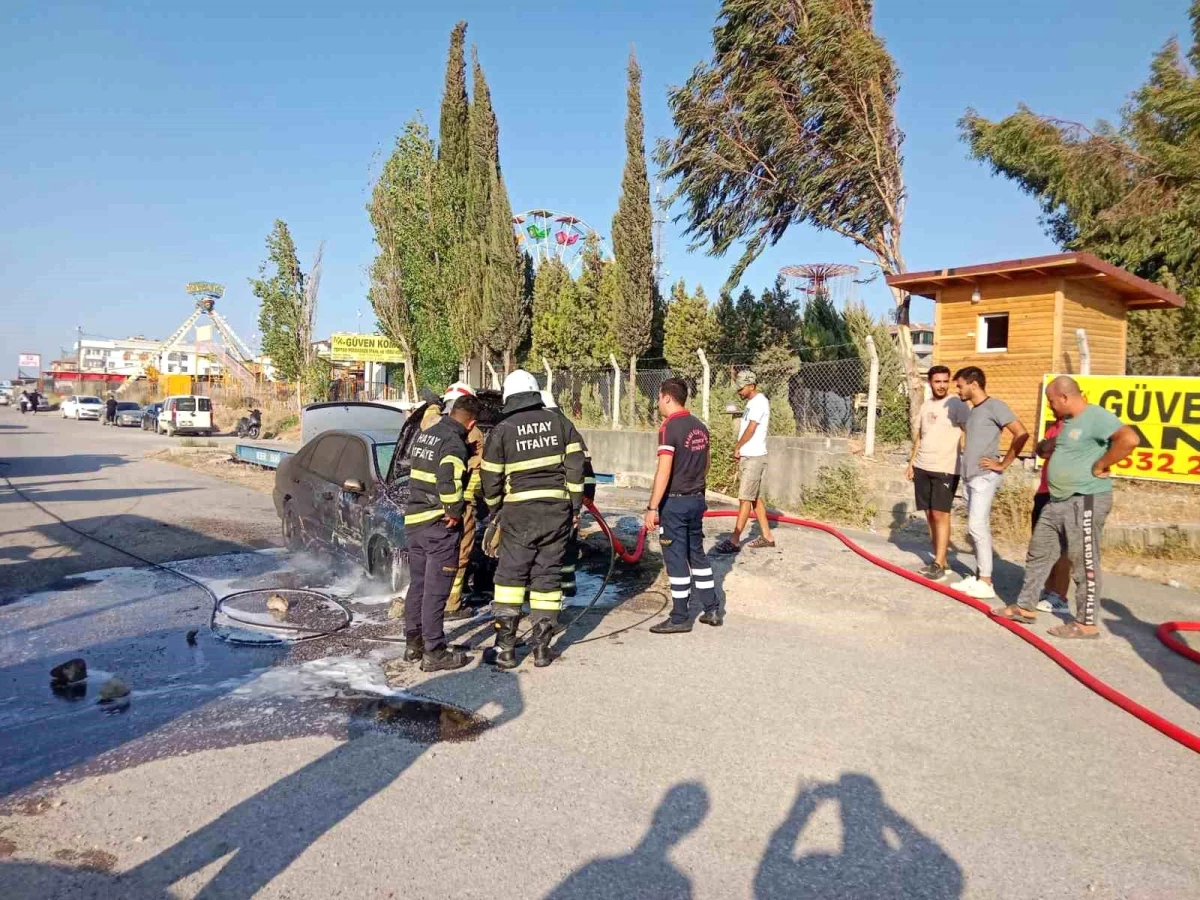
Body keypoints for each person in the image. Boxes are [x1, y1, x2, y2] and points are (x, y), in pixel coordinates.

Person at [993, 376, 1139, 638]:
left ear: (1064, 397)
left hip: (1085, 498)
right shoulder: (1069, 423)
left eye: (1051, 401)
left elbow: (1129, 439)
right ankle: (1025, 607)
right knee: (1039, 552)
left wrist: (1101, 465)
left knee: (1084, 561)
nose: (1050, 406)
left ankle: (1085, 623)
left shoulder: (1096, 416)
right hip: (1057, 500)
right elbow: (1058, 449)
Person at [481, 370, 587, 669]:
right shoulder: (560, 423)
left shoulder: (503, 429)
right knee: (547, 577)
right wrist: (574, 507)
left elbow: (490, 476)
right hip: (556, 512)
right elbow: (577, 469)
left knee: (510, 577)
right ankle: (541, 649)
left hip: (518, 513)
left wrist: (495, 509)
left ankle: (505, 650)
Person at [401, 392, 482, 671]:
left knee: (419, 585)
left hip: (415, 520)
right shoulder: (453, 443)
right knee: (437, 591)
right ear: (470, 424)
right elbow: (447, 476)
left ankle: (414, 644)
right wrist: (454, 511)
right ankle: (435, 651)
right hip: (438, 525)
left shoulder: (428, 433)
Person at [645, 378, 720, 633]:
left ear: (667, 397)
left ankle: (679, 618)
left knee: (676, 558)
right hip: (697, 499)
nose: (658, 404)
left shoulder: (669, 427)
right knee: (697, 553)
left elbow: (664, 470)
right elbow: (707, 463)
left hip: (674, 504)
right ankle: (711, 609)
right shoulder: (700, 426)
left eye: (658, 398)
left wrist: (652, 507)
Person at [952, 366, 1029, 600]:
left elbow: (1021, 433)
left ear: (973, 384)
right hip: (970, 477)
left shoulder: (995, 405)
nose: (958, 390)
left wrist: (1003, 463)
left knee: (977, 526)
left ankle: (986, 582)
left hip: (984, 477)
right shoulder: (974, 411)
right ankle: (979, 577)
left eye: (960, 385)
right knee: (975, 527)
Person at [424, 381, 485, 622]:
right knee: (460, 553)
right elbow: (477, 470)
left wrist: (432, 405)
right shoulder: (472, 434)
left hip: (429, 501)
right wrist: (473, 501)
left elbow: (428, 418)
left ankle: (432, 599)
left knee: (434, 555)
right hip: (459, 502)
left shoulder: (431, 424)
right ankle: (451, 603)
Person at [906, 365, 968, 581]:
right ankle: (941, 559)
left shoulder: (957, 405)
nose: (941, 385)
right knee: (930, 515)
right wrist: (912, 462)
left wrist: (969, 459)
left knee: (941, 514)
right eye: (937, 381)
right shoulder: (925, 406)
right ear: (930, 382)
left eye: (945, 381)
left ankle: (939, 564)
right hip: (923, 465)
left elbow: (969, 431)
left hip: (946, 468)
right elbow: (921, 437)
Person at [541, 390, 597, 600]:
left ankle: (550, 587)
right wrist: (581, 501)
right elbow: (587, 470)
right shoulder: (568, 427)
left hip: (552, 502)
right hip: (567, 501)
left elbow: (584, 468)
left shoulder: (541, 429)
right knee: (567, 542)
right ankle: (566, 585)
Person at [713, 370, 774, 554]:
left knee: (745, 498)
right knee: (754, 498)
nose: (739, 391)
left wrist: (738, 446)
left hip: (754, 457)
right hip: (750, 456)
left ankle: (734, 541)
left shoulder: (759, 403)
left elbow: (751, 429)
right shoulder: (751, 403)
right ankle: (767, 537)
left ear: (752, 385)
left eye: (741, 388)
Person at [1032, 416, 1072, 613]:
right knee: (1043, 544)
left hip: (1063, 493)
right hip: (1044, 491)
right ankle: (1048, 590)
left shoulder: (1077, 427)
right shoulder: (1054, 427)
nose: (1051, 405)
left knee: (1063, 547)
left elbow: (1052, 450)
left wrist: (1050, 446)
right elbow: (1041, 451)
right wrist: (1048, 446)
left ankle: (1060, 596)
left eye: (1054, 400)